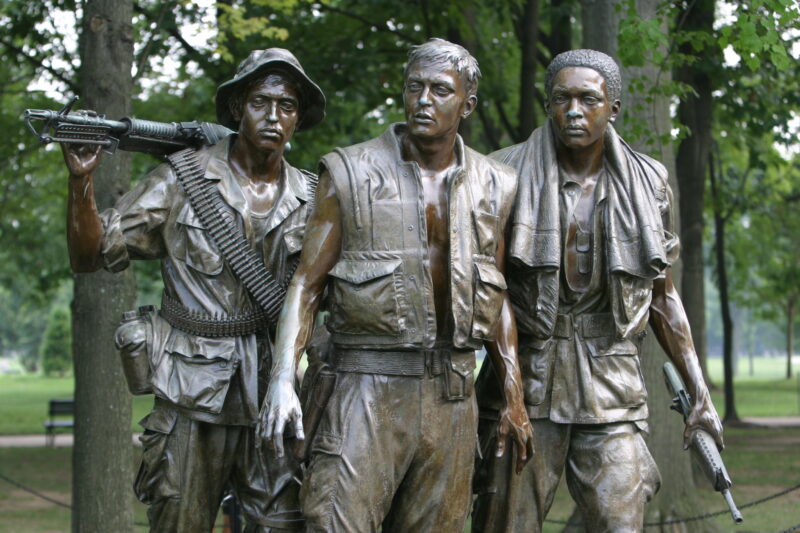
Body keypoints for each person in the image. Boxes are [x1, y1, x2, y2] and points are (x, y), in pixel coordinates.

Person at [259, 38, 533, 532]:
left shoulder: (497, 184)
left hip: (452, 395)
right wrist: (283, 376)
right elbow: (306, 283)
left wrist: (513, 395)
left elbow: (496, 294)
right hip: (365, 387)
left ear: (467, 104)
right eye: (415, 87)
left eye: (440, 90)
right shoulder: (348, 172)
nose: (424, 100)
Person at [62, 48, 325, 533]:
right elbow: (89, 256)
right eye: (259, 102)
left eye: (286, 106)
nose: (272, 116)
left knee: (286, 524)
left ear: (299, 118)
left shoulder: (313, 198)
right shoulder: (181, 179)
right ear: (235, 109)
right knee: (179, 520)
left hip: (275, 389)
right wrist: (82, 182)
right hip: (191, 389)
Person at [472, 49, 724, 532]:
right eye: (561, 98)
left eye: (589, 99)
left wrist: (698, 389)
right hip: (528, 376)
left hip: (611, 379)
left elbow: (662, 294)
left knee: (621, 520)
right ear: (548, 106)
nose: (573, 110)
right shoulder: (502, 173)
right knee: (505, 523)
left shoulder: (649, 181)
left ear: (613, 108)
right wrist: (511, 393)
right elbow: (492, 287)